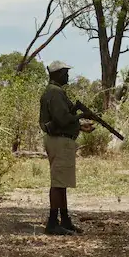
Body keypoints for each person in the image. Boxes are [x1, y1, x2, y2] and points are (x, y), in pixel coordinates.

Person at [39, 60, 94, 236]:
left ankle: (65, 221)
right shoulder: (55, 93)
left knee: (61, 183)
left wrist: (79, 126)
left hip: (59, 140)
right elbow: (62, 119)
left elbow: (60, 120)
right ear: (58, 74)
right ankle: (53, 223)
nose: (67, 75)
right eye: (65, 72)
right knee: (58, 183)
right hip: (59, 141)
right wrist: (80, 116)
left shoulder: (54, 92)